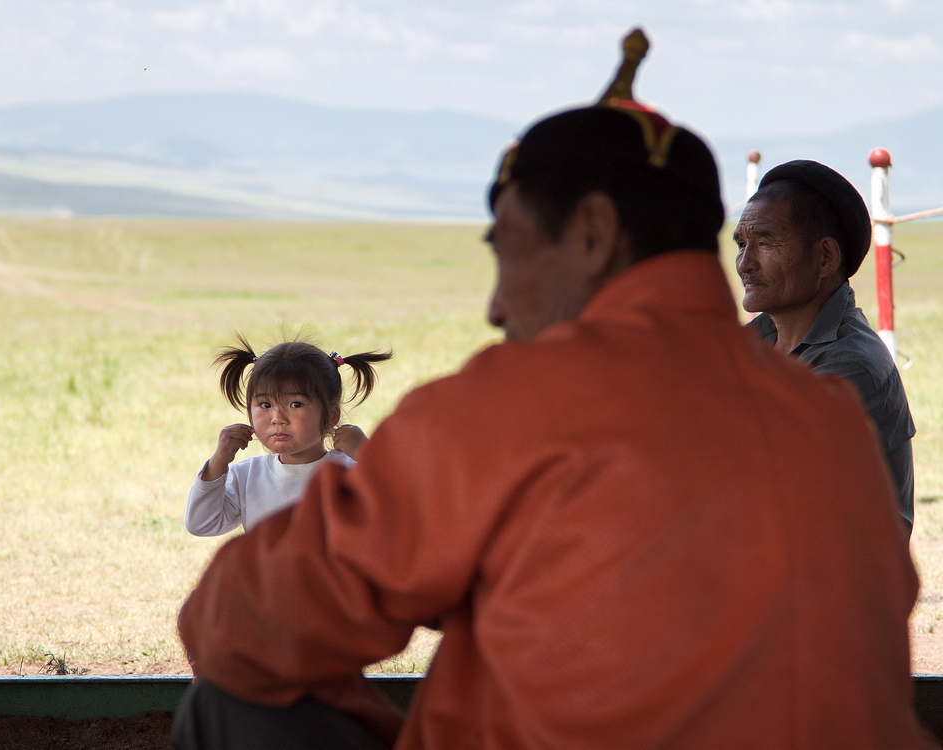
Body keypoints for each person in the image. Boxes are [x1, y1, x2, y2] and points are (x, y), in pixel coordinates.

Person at [172, 30, 927, 750]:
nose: (497, 307)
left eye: (510, 251)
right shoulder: (826, 414)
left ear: (593, 233)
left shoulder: (511, 409)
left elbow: (229, 621)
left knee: (225, 699)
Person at [734, 160, 916, 536]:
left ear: (825, 258)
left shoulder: (851, 368)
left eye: (764, 242)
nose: (744, 264)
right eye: (741, 244)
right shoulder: (758, 338)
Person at [184, 335, 391, 536]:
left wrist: (368, 457)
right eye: (265, 405)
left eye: (296, 404)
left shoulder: (350, 472)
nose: (277, 418)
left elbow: (399, 514)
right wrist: (219, 461)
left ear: (331, 416)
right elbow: (201, 524)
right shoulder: (247, 477)